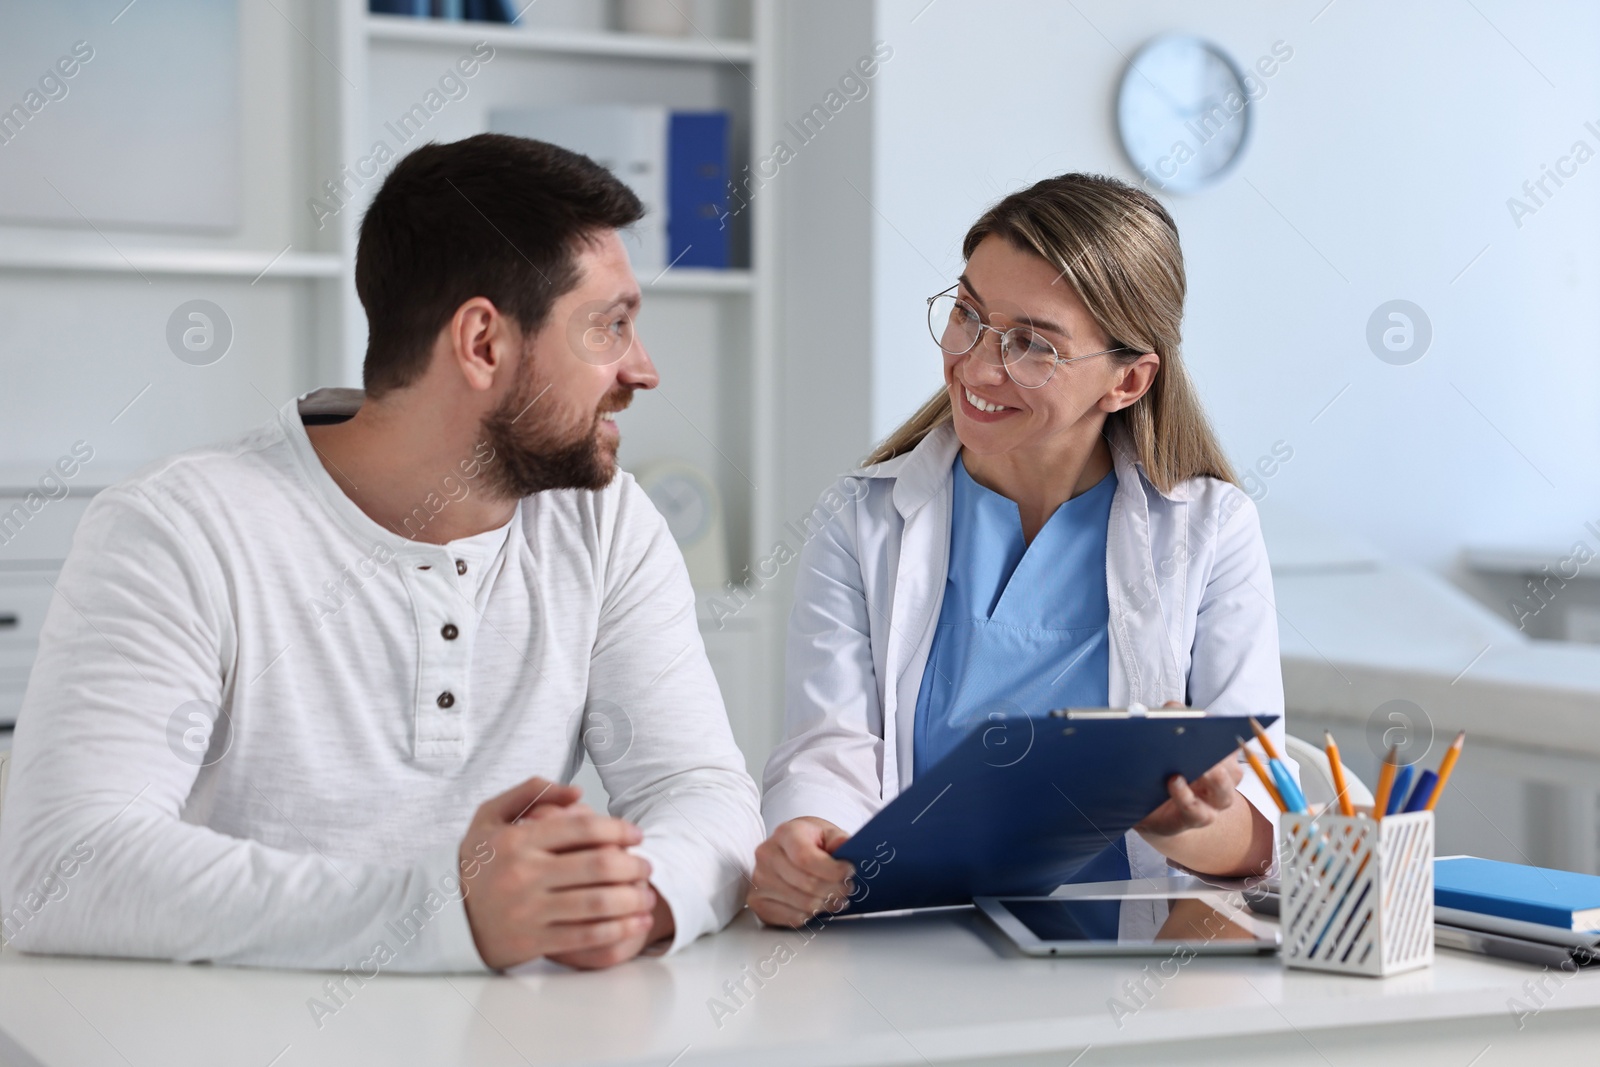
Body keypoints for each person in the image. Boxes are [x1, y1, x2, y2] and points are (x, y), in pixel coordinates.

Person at [0, 134, 764, 971]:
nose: (642, 371)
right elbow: (60, 865)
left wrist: (636, 899)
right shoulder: (179, 528)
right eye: (611, 326)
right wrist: (446, 913)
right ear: (481, 343)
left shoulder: (607, 523)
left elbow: (704, 792)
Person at [748, 173, 1295, 927]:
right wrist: (808, 838)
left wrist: (1188, 823)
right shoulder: (862, 519)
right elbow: (829, 749)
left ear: (1128, 380)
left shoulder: (1209, 530)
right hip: (905, 955)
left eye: (1032, 344)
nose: (975, 365)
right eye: (968, 314)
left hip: (1120, 979)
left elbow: (1266, 828)